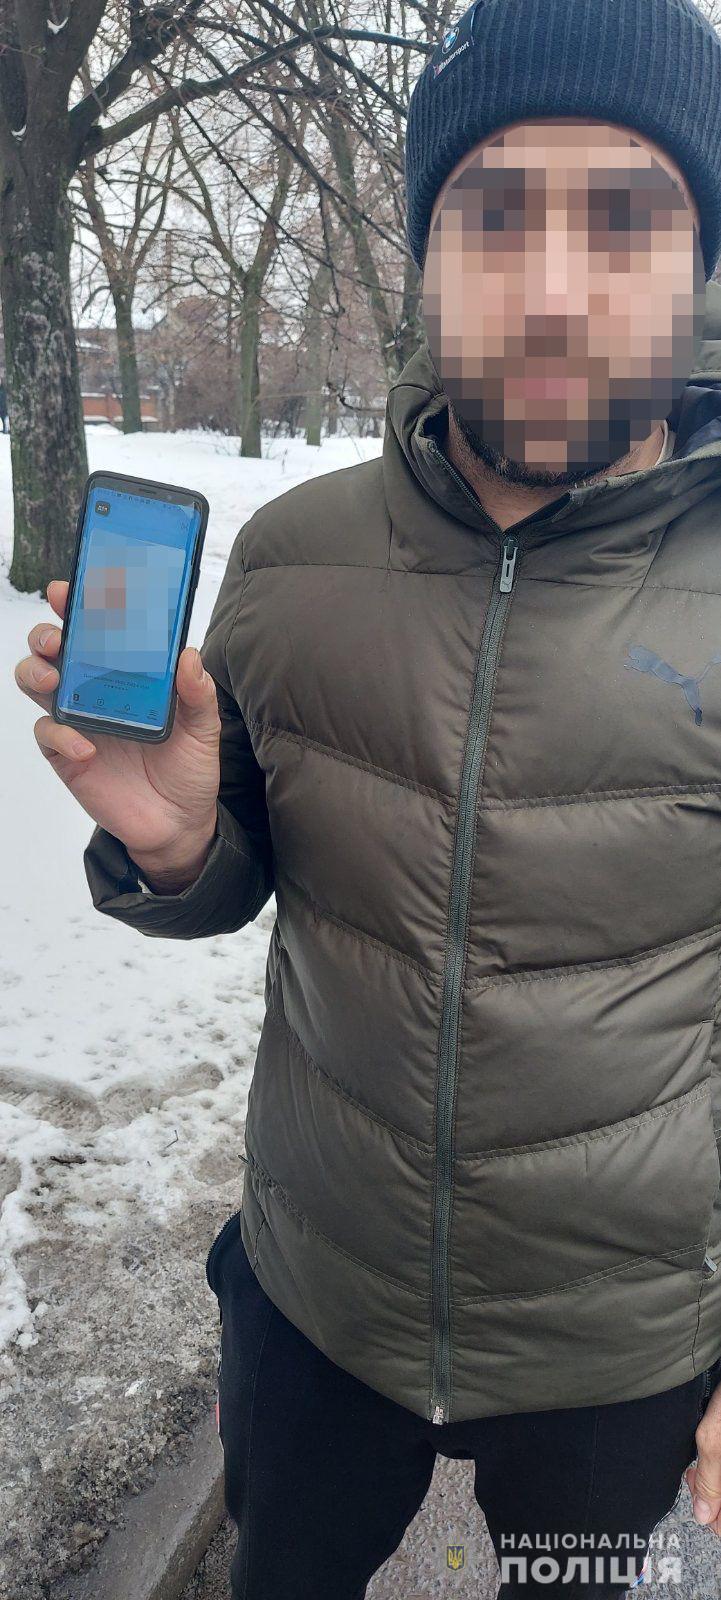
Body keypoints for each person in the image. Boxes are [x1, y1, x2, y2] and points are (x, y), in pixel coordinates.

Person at [13, 0, 721, 1593]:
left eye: (622, 224)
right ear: (420, 252)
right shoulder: (291, 560)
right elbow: (250, 863)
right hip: (311, 1306)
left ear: (699, 261)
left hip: (615, 1355)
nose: (550, 291)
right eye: (492, 219)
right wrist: (184, 845)